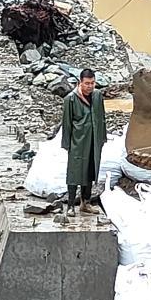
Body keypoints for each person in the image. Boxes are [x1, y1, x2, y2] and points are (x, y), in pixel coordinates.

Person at [61, 68, 107, 217]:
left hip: (94, 140)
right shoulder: (71, 99)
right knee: (75, 172)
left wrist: (102, 138)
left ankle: (85, 203)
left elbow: (102, 118)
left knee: (90, 171)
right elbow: (67, 123)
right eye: (87, 83)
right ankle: (70, 205)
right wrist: (67, 144)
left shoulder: (98, 96)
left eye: (92, 83)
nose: (90, 86)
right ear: (80, 82)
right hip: (78, 141)